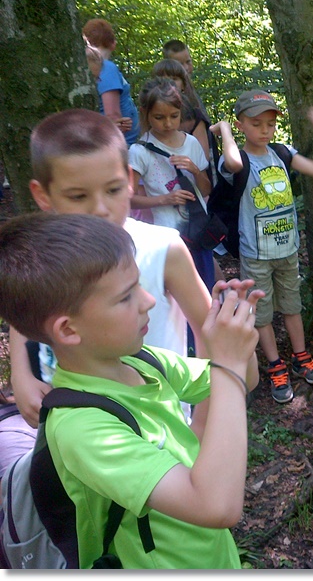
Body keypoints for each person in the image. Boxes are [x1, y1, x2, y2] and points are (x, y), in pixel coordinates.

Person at [0, 211, 263, 568]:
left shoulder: (141, 361)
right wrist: (229, 362)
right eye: (126, 297)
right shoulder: (82, 428)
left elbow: (243, 381)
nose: (149, 300)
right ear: (68, 330)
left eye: (139, 285)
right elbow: (216, 505)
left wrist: (233, 331)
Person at [8, 108, 220, 440]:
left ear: (130, 181)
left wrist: (204, 422)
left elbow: (209, 332)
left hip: (157, 429)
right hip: (71, 422)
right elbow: (27, 309)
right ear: (42, 195)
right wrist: (20, 374)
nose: (100, 209)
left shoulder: (163, 249)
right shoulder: (42, 253)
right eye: (78, 196)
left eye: (113, 190)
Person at [209, 89, 313, 404]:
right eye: (256, 123)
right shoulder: (235, 159)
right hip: (256, 253)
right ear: (240, 125)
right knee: (261, 312)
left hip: (287, 249)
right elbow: (233, 162)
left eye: (270, 124)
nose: (265, 130)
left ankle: (301, 356)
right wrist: (224, 129)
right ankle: (275, 364)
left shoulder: (282, 153)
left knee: (292, 305)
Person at [128, 77, 216, 305]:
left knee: (205, 293)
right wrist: (165, 199)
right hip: (167, 238)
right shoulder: (139, 152)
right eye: (159, 117)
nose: (168, 123)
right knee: (178, 301)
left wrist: (195, 170)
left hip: (197, 233)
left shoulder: (191, 143)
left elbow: (206, 189)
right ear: (145, 114)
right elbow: (129, 199)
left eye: (174, 116)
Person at [82, 19, 139, 145]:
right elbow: (113, 115)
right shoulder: (107, 67)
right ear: (113, 44)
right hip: (122, 144)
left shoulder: (88, 69)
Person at [163, 39, 209, 121]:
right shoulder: (166, 95)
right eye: (179, 64)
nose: (186, 68)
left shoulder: (190, 90)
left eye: (188, 62)